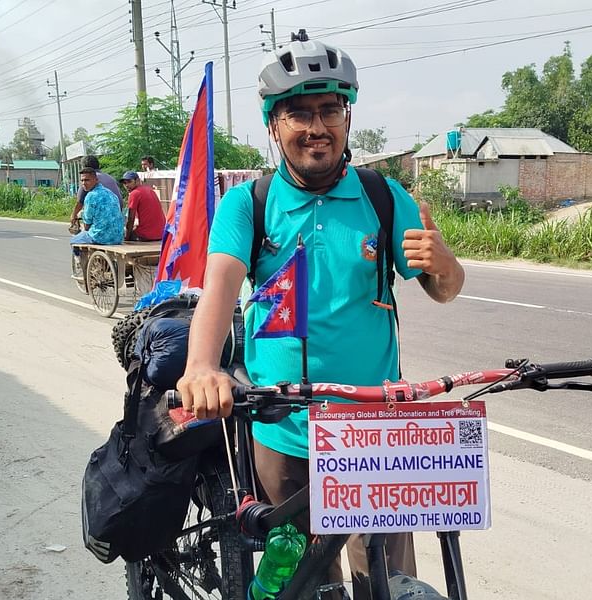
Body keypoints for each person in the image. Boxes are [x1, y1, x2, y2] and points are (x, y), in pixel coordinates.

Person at [176, 30, 464, 599]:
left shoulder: (384, 196)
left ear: (347, 118)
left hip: (375, 430)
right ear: (274, 125)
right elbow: (220, 287)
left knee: (384, 579)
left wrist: (446, 264)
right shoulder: (250, 204)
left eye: (330, 109)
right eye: (299, 112)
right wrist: (202, 365)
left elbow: (442, 289)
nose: (317, 126)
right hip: (284, 430)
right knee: (305, 582)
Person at [70, 167, 124, 252]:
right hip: (118, 237)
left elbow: (87, 224)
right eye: (82, 180)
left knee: (74, 241)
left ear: (96, 180)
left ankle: (81, 263)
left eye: (87, 180)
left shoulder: (91, 196)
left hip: (100, 238)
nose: (84, 183)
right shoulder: (111, 193)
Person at [69, 155, 123, 230]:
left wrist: (73, 216)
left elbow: (79, 203)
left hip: (101, 228)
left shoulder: (89, 186)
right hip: (117, 222)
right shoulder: (110, 178)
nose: (84, 183)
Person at [119, 170, 166, 241]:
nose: (126, 185)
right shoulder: (150, 190)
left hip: (146, 235)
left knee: (123, 233)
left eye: (129, 182)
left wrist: (127, 238)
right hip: (162, 233)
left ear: (137, 181)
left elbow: (131, 218)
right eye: (124, 183)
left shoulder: (134, 193)